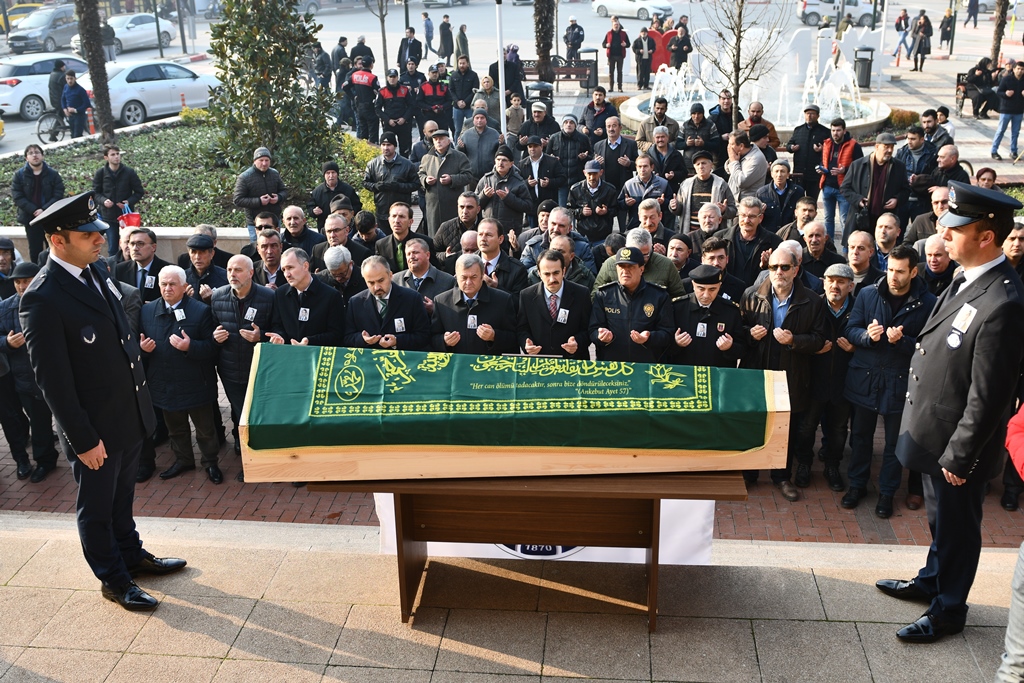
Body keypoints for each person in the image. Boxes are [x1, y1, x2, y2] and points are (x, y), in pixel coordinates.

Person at [20, 192, 185, 611]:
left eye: (98, 231)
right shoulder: (42, 297)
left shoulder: (95, 270)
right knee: (96, 508)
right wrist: (82, 439)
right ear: (58, 241)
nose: (100, 239)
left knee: (122, 498)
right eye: (87, 234)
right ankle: (113, 578)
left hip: (126, 415)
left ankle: (131, 554)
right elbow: (52, 381)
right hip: (93, 429)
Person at [877, 182, 1024, 643]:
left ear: (987, 236)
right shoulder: (968, 277)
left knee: (958, 529)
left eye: (955, 229)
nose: (943, 235)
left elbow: (990, 395)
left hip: (959, 446)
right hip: (935, 432)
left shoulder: (1004, 302)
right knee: (940, 521)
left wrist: (961, 456)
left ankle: (948, 610)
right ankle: (931, 581)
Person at [842, 244, 936, 518]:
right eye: (890, 270)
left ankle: (887, 492)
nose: (893, 276)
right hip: (865, 378)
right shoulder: (868, 293)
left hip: (900, 383)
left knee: (894, 444)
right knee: (860, 437)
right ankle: (857, 485)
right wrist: (866, 336)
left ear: (914, 272)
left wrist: (903, 342)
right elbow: (851, 329)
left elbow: (929, 346)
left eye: (900, 271)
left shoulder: (929, 303)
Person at [739, 245, 828, 501]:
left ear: (796, 270)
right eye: (773, 267)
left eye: (785, 267)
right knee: (754, 423)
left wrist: (794, 340)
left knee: (785, 428)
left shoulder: (812, 300)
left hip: (792, 373)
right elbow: (738, 330)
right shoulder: (751, 294)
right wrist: (749, 334)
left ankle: (781, 477)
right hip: (757, 372)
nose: (778, 272)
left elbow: (819, 339)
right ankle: (750, 473)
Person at [138, 266, 221, 484]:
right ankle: (183, 460)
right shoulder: (147, 311)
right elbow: (138, 344)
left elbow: (212, 347)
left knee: (205, 429)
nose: (167, 288)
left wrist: (190, 347)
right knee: (175, 429)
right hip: (164, 383)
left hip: (196, 382)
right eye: (163, 284)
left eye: (172, 284)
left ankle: (210, 463)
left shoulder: (201, 311)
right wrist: (142, 350)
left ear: (184, 287)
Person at [210, 255, 273, 479]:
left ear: (251, 273)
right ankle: (247, 455)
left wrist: (260, 337)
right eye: (229, 270)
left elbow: (279, 330)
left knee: (259, 416)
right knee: (240, 415)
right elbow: (211, 328)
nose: (232, 274)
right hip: (229, 371)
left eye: (237, 270)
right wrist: (215, 337)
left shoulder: (269, 297)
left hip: (260, 371)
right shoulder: (217, 296)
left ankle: (261, 458)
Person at [795, 262, 857, 492]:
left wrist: (855, 349)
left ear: (851, 286)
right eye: (830, 281)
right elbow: (802, 337)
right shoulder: (813, 305)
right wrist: (814, 347)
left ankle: (832, 466)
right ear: (823, 283)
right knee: (806, 427)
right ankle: (804, 464)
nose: (835, 286)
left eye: (841, 282)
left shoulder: (858, 309)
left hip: (844, 381)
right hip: (814, 379)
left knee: (838, 430)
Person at [0, 261, 59, 483]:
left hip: (53, 373)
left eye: (26, 281)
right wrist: (7, 343)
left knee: (54, 419)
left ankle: (56, 457)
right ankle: (43, 460)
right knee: (37, 420)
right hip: (22, 376)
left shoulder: (52, 301)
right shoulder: (5, 308)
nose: (22, 286)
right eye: (18, 282)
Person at [590, 246, 673, 362]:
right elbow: (593, 330)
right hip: (612, 365)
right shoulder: (604, 295)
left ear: (641, 269)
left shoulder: (659, 295)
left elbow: (668, 333)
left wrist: (649, 338)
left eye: (630, 266)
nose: (625, 271)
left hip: (647, 365)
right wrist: (601, 337)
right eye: (621, 266)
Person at [431, 253, 517, 354]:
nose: (468, 282)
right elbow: (432, 338)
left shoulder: (503, 300)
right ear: (456, 277)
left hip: (489, 362)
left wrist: (494, 336)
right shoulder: (442, 302)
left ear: (482, 276)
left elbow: (514, 337)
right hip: (457, 362)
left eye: (473, 277)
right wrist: (444, 341)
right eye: (464, 277)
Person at [343, 255, 430, 351]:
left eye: (381, 280)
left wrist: (397, 341)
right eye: (371, 283)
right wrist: (363, 340)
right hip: (370, 359)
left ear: (390, 275)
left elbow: (424, 336)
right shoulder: (355, 302)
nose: (377, 287)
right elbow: (347, 338)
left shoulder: (412, 298)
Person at [518, 249, 591, 359]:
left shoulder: (581, 294)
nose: (552, 279)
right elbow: (522, 329)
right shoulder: (526, 296)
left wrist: (578, 343)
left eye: (556, 273)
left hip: (572, 361)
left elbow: (589, 329)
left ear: (563, 271)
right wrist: (527, 344)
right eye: (547, 274)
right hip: (539, 361)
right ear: (539, 273)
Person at [670, 264, 745, 368]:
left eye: (712, 289)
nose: (706, 295)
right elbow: (663, 345)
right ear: (693, 285)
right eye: (701, 289)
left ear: (719, 286)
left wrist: (730, 347)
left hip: (718, 373)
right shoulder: (677, 308)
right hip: (684, 372)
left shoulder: (731, 311)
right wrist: (676, 343)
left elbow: (742, 348)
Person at [840, 133, 909, 246]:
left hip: (885, 220)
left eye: (892, 147)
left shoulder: (899, 167)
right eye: (886, 147)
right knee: (859, 248)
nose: (890, 150)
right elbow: (844, 188)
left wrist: (897, 199)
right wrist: (858, 199)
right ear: (877, 147)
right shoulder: (858, 165)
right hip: (862, 218)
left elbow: (906, 190)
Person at [268, 248, 345, 346]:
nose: (287, 274)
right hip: (289, 353)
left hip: (317, 353)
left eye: (290, 268)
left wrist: (309, 341)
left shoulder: (331, 296)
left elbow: (337, 334)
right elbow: (277, 326)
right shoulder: (280, 294)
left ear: (305, 266)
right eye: (283, 270)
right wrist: (279, 337)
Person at [12, 145, 65, 264]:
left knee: (54, 248)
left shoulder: (53, 174)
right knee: (35, 250)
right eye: (31, 153)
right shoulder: (19, 175)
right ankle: (37, 273)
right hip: (31, 218)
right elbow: (17, 196)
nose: (34, 155)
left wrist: (44, 210)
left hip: (50, 218)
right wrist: (34, 210)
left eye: (37, 152)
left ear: (42, 155)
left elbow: (58, 194)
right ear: (26, 158)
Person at [92, 145, 145, 257]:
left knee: (130, 245)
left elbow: (139, 192)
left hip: (126, 217)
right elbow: (95, 193)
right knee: (113, 248)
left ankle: (130, 265)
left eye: (118, 154)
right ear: (106, 157)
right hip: (108, 217)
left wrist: (128, 202)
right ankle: (113, 266)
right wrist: (104, 201)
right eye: (113, 154)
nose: (116, 157)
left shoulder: (129, 172)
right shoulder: (101, 173)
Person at [363, 132, 420, 233]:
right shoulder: (373, 164)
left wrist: (399, 187)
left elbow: (416, 184)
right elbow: (365, 182)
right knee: (384, 239)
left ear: (395, 146)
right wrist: (376, 186)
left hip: (402, 211)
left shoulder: (407, 164)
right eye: (383, 145)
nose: (386, 148)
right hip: (382, 211)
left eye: (389, 145)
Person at [721, 197, 782, 288]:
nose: (746, 220)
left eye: (751, 216)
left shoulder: (774, 242)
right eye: (743, 215)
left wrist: (768, 265)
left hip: (759, 293)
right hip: (727, 292)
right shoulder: (721, 238)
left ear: (760, 218)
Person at [671, 150, 736, 235]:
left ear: (711, 165)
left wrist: (724, 210)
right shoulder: (685, 185)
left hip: (715, 235)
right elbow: (678, 211)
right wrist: (674, 207)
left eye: (704, 163)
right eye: (698, 164)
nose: (701, 166)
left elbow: (733, 211)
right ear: (694, 167)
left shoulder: (721, 185)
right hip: (691, 234)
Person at [819, 118, 863, 242]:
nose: (835, 133)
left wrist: (845, 170)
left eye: (838, 130)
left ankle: (846, 247)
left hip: (844, 189)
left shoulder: (853, 145)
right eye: (833, 130)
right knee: (828, 219)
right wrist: (821, 168)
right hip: (827, 186)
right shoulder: (827, 143)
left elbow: (860, 166)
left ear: (844, 131)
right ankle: (829, 245)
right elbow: (823, 160)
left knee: (845, 220)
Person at [233, 147, 287, 243]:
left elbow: (284, 191)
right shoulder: (244, 177)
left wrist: (278, 198)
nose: (264, 163)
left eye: (267, 160)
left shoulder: (274, 174)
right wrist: (259, 201)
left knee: (276, 245)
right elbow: (238, 199)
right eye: (261, 160)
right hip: (255, 222)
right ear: (255, 161)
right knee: (257, 246)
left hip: (274, 220)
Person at [476, 145, 533, 235]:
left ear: (511, 164)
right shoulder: (486, 179)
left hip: (509, 231)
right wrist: (484, 196)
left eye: (504, 160)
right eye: (498, 159)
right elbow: (474, 205)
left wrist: (509, 198)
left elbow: (528, 206)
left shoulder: (519, 182)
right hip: (488, 230)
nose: (500, 163)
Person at [566, 160, 618, 246]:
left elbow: (616, 209)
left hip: (603, 236)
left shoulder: (610, 190)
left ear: (601, 172)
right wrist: (581, 212)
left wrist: (606, 211)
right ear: (584, 173)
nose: (592, 177)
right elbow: (569, 211)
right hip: (582, 236)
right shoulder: (575, 189)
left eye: (595, 174)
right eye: (589, 174)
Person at [786, 104, 830, 204]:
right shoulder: (798, 130)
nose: (809, 116)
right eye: (807, 113)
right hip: (799, 173)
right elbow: (789, 145)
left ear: (818, 116)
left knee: (811, 201)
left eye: (812, 114)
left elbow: (831, 149)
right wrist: (791, 147)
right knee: (797, 201)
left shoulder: (825, 131)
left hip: (814, 174)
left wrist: (823, 149)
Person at [114, 228, 171, 303]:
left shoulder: (167, 270)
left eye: (140, 244)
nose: (135, 248)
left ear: (153, 247)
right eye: (132, 244)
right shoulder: (120, 269)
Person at [756, 160, 803, 235]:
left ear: (788, 174)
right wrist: (760, 211)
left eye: (782, 171)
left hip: (790, 233)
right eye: (776, 171)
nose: (779, 175)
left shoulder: (798, 192)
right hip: (769, 234)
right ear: (771, 174)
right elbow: (756, 217)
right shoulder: (762, 193)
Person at [458, 109, 501, 187]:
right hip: (472, 176)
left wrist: (502, 144)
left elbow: (501, 152)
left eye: (482, 118)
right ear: (473, 120)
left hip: (490, 176)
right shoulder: (466, 135)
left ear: (486, 120)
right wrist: (460, 147)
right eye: (477, 118)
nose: (479, 120)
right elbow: (460, 155)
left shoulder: (494, 134)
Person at [343, 56, 381, 143]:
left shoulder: (355, 75)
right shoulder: (372, 77)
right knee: (373, 133)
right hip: (370, 108)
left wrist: (353, 97)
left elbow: (344, 86)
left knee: (363, 132)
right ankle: (373, 148)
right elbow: (379, 92)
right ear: (371, 65)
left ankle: (364, 148)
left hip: (359, 107)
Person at [992, 61, 1024, 161]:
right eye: (1018, 69)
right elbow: (999, 91)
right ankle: (994, 151)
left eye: (1022, 69)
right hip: (1006, 110)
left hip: (1019, 111)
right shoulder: (1007, 79)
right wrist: (1006, 94)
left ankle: (1013, 151)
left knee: (1015, 132)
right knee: (1001, 130)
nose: (1020, 71)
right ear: (1014, 69)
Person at [726, 132, 769, 201]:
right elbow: (728, 170)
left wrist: (734, 161)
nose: (729, 147)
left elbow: (741, 182)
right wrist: (732, 160)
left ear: (741, 146)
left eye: (731, 144)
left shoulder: (756, 159)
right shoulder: (741, 154)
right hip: (734, 200)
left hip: (748, 203)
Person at [449, 56, 479, 135]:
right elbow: (451, 90)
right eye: (460, 63)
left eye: (463, 63)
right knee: (458, 130)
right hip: (457, 107)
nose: (462, 65)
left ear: (467, 64)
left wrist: (465, 102)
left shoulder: (473, 75)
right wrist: (457, 101)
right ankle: (457, 143)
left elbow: (475, 91)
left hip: (469, 107)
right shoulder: (453, 75)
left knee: (472, 128)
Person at [848, 230, 884, 295]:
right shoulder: (837, 275)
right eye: (852, 247)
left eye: (861, 248)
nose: (855, 252)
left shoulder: (881, 279)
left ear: (871, 252)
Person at [601, 17, 630, 92]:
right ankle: (611, 87)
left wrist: (625, 44)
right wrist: (606, 45)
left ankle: (620, 87)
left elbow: (629, 44)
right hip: (611, 56)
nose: (616, 26)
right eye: (615, 25)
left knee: (620, 72)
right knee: (611, 72)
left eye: (617, 25)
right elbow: (603, 44)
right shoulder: (609, 33)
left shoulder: (623, 34)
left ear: (619, 25)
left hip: (620, 55)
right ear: (612, 26)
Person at [61, 70, 90, 138]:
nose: (69, 81)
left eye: (71, 78)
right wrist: (64, 109)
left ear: (75, 78)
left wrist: (75, 110)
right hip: (70, 115)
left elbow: (87, 104)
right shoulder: (66, 87)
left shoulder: (80, 90)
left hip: (79, 115)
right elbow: (63, 99)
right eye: (68, 79)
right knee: (72, 134)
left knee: (77, 135)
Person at [47, 60, 66, 139]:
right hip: (60, 100)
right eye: (64, 66)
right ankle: (53, 134)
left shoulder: (52, 74)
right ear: (61, 67)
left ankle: (53, 134)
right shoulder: (61, 76)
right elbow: (66, 87)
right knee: (61, 116)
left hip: (53, 99)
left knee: (60, 116)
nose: (65, 67)